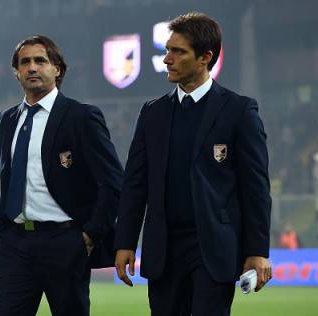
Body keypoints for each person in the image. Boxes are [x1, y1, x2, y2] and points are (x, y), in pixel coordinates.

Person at [114, 12, 272, 316]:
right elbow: (135, 184)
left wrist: (257, 251)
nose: (167, 60)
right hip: (163, 249)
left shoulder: (239, 111)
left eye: (178, 52)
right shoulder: (152, 113)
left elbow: (256, 188)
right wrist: (125, 242)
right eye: (167, 51)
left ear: (205, 57)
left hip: (212, 247)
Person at [0, 35, 123, 316]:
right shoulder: (7, 120)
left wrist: (89, 235)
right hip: (13, 245)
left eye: (40, 60)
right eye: (25, 62)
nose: (32, 68)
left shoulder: (81, 117)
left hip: (65, 242)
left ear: (57, 69)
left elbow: (112, 182)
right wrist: (0, 231)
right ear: (17, 72)